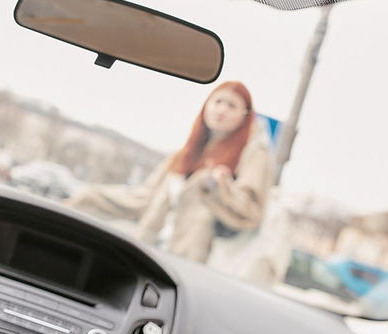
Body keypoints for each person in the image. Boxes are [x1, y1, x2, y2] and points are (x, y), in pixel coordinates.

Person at [67, 81, 274, 263]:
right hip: (153, 254)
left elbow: (251, 211)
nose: (222, 109)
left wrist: (220, 188)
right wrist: (88, 197)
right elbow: (143, 198)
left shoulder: (254, 154)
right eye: (217, 101)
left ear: (245, 115)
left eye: (232, 105)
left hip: (198, 266)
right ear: (206, 106)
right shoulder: (185, 155)